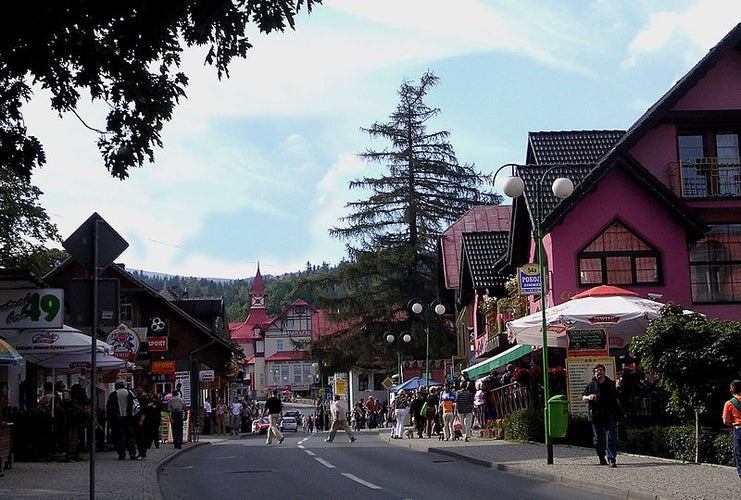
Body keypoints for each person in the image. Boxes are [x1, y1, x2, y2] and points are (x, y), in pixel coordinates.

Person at [582, 363, 623, 467]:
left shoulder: (610, 383)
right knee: (597, 440)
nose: (599, 372)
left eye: (601, 370)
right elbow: (583, 398)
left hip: (610, 414)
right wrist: (589, 397)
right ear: (594, 373)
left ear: (604, 372)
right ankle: (601, 457)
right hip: (596, 414)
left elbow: (617, 397)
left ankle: (612, 459)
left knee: (610, 437)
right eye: (597, 371)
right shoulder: (591, 384)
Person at [106, 380, 138, 460]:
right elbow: (136, 405)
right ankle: (132, 453)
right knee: (130, 436)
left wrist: (110, 420)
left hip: (117, 418)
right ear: (124, 385)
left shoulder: (113, 395)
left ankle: (121, 454)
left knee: (119, 436)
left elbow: (109, 408)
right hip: (128, 417)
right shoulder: (129, 393)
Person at [722, 379, 741, 478]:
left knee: (739, 454)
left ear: (731, 390)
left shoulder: (729, 404)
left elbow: (725, 421)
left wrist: (733, 422)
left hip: (738, 430)